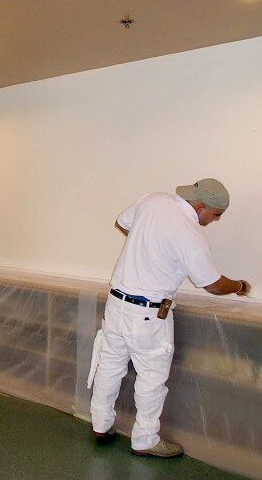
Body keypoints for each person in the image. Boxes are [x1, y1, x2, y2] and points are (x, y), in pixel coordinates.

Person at [88, 178, 251, 458]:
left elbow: (122, 223)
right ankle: (145, 441)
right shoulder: (190, 234)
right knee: (151, 378)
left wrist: (150, 247)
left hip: (116, 306)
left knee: (110, 366)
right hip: (149, 317)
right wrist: (239, 286)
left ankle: (100, 426)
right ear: (201, 207)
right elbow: (211, 284)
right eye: (215, 215)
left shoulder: (152, 199)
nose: (215, 221)